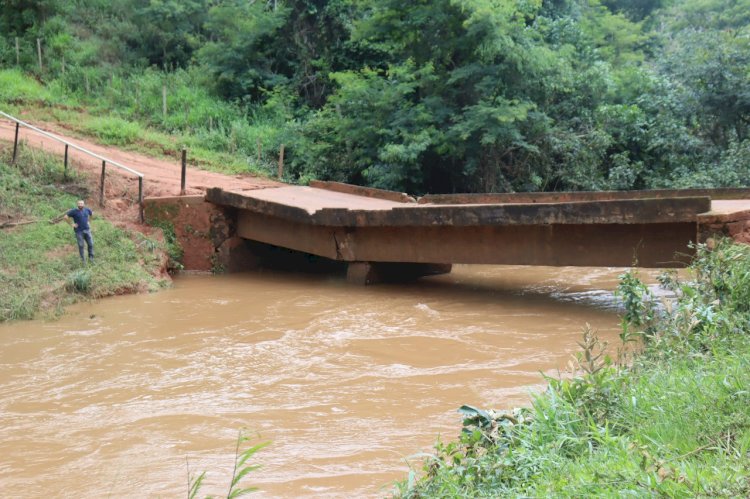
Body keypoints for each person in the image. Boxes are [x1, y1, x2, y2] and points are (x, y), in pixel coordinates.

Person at [65, 200, 95, 264]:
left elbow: (92, 214)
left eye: (82, 203)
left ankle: (91, 258)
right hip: (79, 231)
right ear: (77, 204)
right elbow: (65, 217)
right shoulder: (73, 211)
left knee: (91, 244)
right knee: (81, 245)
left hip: (87, 230)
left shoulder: (87, 210)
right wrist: (72, 224)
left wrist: (89, 221)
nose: (80, 205)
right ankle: (83, 260)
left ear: (84, 204)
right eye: (79, 204)